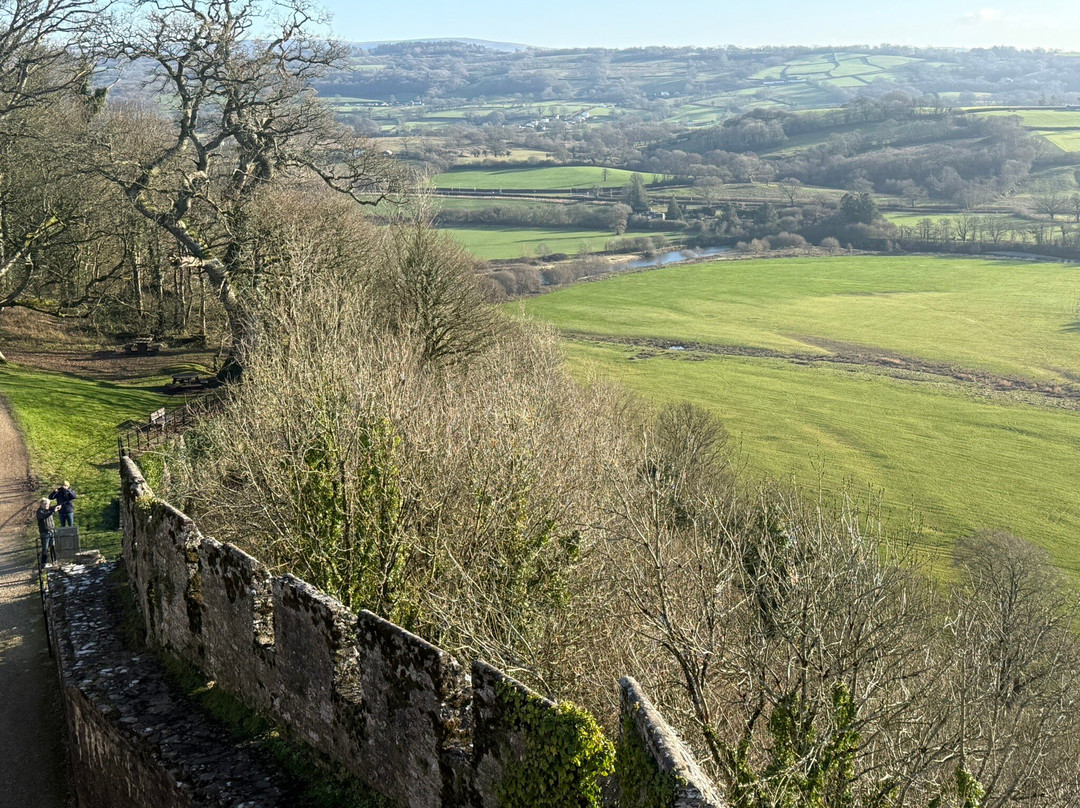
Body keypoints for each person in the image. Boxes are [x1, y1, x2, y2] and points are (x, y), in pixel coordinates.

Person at [36, 498, 60, 566]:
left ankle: (54, 561)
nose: (47, 505)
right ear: (41, 504)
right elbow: (45, 515)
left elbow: (53, 508)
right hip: (44, 532)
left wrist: (57, 507)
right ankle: (44, 562)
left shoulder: (48, 510)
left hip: (51, 530)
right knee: (45, 548)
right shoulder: (40, 511)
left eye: (48, 504)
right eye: (45, 504)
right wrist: (53, 511)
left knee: (53, 546)